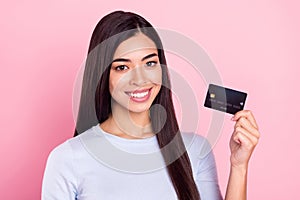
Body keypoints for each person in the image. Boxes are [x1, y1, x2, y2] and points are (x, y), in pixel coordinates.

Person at [42, 11, 260, 200]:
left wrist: (239, 166)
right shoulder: (67, 159)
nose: (140, 79)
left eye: (150, 63)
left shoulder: (195, 150)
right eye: (122, 67)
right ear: (102, 74)